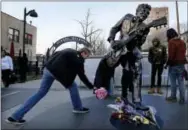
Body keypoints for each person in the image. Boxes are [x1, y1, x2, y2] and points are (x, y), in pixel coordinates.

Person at [6, 47, 96, 124]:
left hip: (48, 69)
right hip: (56, 72)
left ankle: (15, 116)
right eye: (86, 56)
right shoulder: (78, 59)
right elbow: (82, 75)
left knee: (40, 93)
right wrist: (92, 87)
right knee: (73, 86)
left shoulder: (68, 50)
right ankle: (78, 108)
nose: (85, 59)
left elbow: (54, 54)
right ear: (83, 53)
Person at [107, 3, 151, 105]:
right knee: (126, 74)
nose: (145, 14)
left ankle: (137, 101)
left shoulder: (145, 27)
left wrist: (139, 37)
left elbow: (141, 43)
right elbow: (114, 28)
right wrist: (112, 40)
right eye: (143, 11)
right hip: (121, 51)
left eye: (147, 13)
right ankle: (124, 96)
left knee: (136, 74)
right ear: (137, 11)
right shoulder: (127, 17)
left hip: (134, 51)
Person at [165, 28, 187, 104]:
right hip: (182, 65)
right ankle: (182, 99)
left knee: (173, 82)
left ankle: (173, 97)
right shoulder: (182, 42)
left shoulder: (171, 42)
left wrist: (167, 64)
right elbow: (183, 53)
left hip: (173, 65)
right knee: (181, 83)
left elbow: (171, 55)